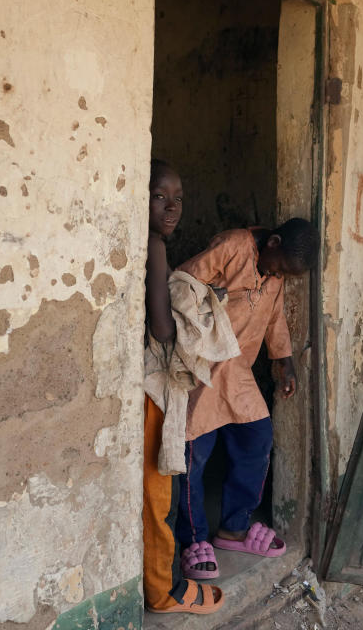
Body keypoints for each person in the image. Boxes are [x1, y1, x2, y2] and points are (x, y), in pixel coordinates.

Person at [174, 219, 319, 578]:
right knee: (192, 455)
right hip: (201, 369)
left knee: (257, 439)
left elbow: (275, 319)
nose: (278, 275)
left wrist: (283, 363)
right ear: (272, 242)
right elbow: (181, 285)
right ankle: (194, 540)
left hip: (237, 372)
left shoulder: (275, 275)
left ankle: (234, 528)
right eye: (280, 266)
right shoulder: (234, 245)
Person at [143, 159, 224, 615]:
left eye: (178, 199)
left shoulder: (149, 241)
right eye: (160, 197)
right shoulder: (154, 246)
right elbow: (160, 328)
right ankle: (165, 591)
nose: (171, 208)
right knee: (161, 495)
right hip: (154, 386)